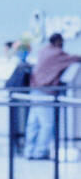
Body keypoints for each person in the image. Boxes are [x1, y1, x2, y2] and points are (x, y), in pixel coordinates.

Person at [24, 32, 81, 160]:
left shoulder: (43, 51)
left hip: (34, 90)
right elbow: (74, 58)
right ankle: (40, 152)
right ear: (58, 42)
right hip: (45, 92)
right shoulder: (57, 54)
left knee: (33, 123)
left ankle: (29, 151)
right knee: (47, 124)